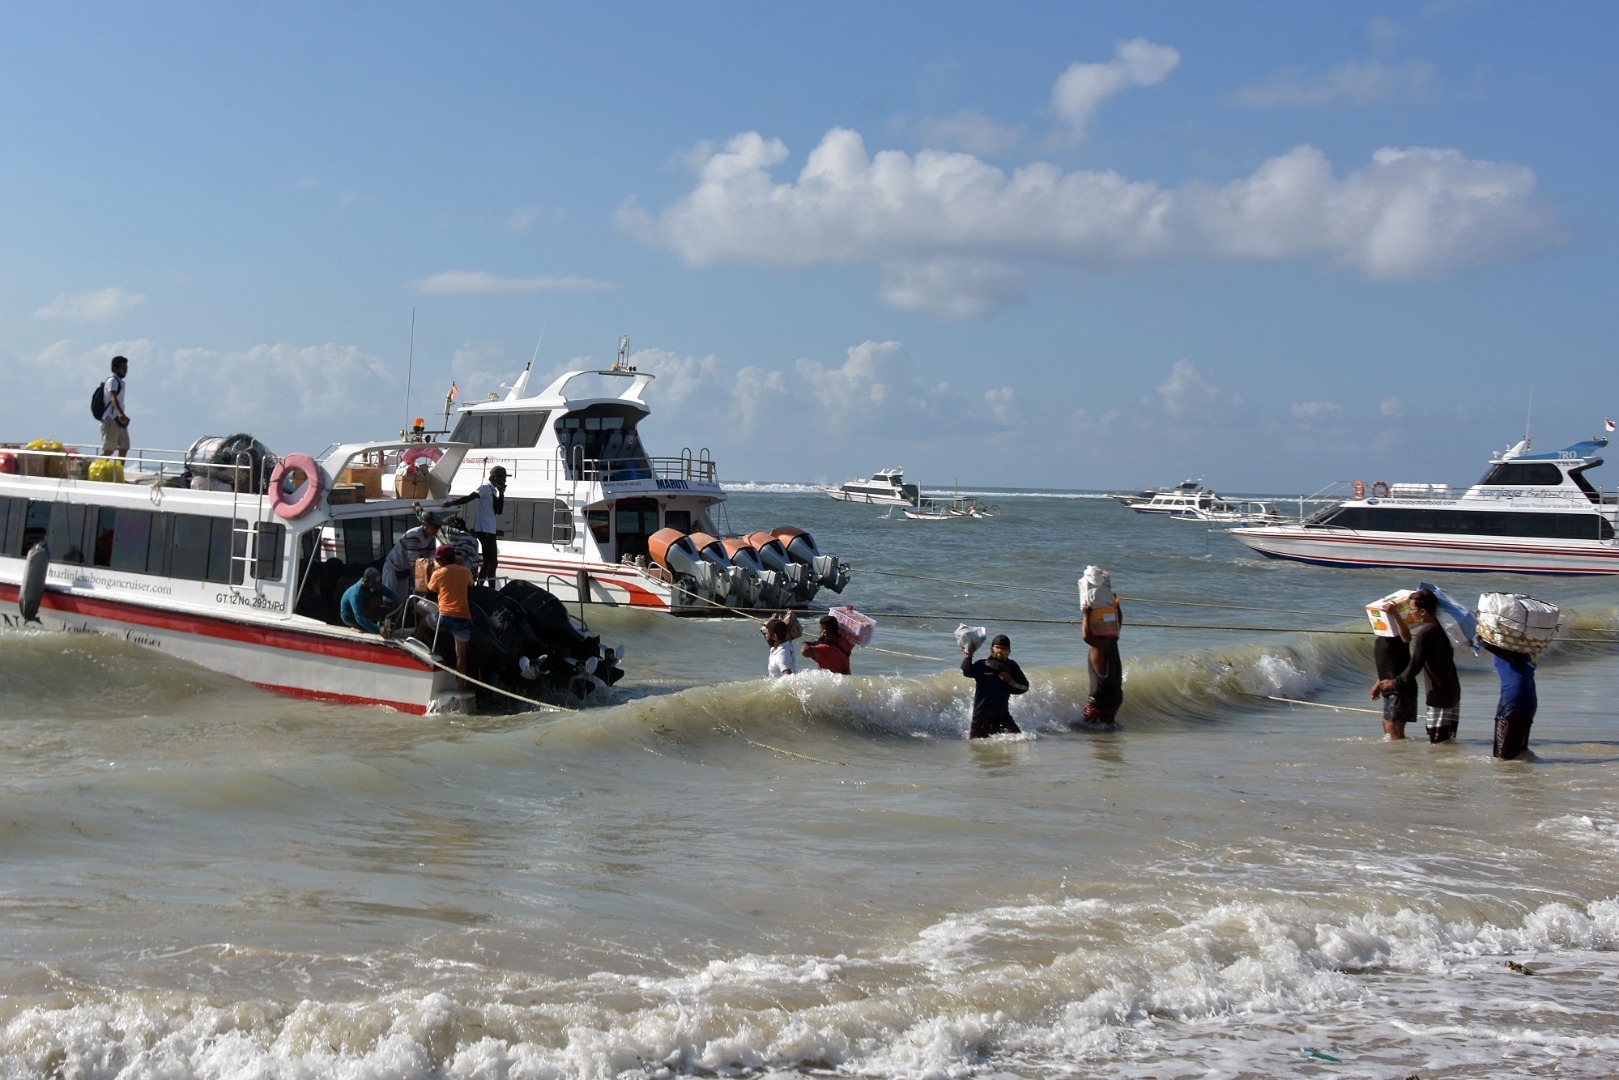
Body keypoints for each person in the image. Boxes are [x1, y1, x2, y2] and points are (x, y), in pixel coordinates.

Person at [1370, 588, 1460, 743]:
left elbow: (1416, 664)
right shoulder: (1441, 629)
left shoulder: (1425, 634)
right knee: (1446, 742)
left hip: (1439, 694)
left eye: (1412, 609)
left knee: (1438, 743)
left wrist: (1395, 682)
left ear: (1423, 611)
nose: (1410, 613)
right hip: (1451, 690)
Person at [443, 465, 506, 583]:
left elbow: (499, 510)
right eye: (503, 478)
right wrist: (452, 503)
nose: (504, 481)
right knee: (491, 561)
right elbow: (470, 497)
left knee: (490, 561)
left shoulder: (493, 490)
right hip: (484, 529)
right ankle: (486, 587)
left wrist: (502, 493)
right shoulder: (485, 488)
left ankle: (482, 585)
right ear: (496, 477)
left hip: (489, 529)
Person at [427, 544, 476, 690]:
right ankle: (460, 686)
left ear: (441, 561)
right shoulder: (466, 571)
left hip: (445, 618)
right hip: (463, 618)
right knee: (461, 655)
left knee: (424, 622)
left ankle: (415, 652)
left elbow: (430, 588)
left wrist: (430, 570)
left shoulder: (438, 573)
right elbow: (470, 584)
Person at [961, 633, 1029, 738]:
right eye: (997, 647)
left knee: (1021, 741)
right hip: (980, 719)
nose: (999, 651)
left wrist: (1011, 681)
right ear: (992, 648)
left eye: (1003, 648)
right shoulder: (982, 665)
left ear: (1009, 651)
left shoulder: (1012, 667)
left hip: (1002, 718)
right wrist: (969, 656)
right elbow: (966, 671)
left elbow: (1024, 687)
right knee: (977, 748)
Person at [1480, 640, 1537, 760]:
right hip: (1528, 703)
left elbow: (1512, 656)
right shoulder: (1529, 647)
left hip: (1511, 706)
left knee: (1505, 761)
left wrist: (1485, 642)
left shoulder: (1511, 650)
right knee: (1520, 756)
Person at [1373, 600, 1417, 740]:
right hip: (1388, 687)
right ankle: (1396, 758)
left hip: (1400, 687)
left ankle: (1402, 758)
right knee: (1388, 728)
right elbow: (1386, 666)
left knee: (1394, 731)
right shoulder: (1380, 640)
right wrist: (1377, 685)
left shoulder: (1398, 637)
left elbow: (1407, 638)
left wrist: (1396, 615)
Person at [1082, 592, 1124, 726]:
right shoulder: (1113, 638)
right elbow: (1119, 622)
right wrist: (1116, 607)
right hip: (1114, 699)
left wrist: (1086, 615)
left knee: (1093, 735)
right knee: (1108, 732)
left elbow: (1086, 637)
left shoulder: (1100, 646)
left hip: (1098, 705)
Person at [381, 512, 442, 598]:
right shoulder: (413, 535)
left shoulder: (432, 538)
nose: (437, 530)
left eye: (439, 527)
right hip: (393, 568)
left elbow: (432, 562)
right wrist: (421, 587)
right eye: (435, 527)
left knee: (403, 601)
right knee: (388, 601)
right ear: (426, 525)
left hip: (405, 570)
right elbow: (414, 564)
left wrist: (433, 583)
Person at [339, 567, 398, 634]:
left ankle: (372, 623)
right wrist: (378, 630)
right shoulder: (356, 594)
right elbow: (359, 616)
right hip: (350, 615)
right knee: (364, 618)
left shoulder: (373, 584)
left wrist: (398, 600)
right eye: (373, 585)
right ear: (365, 581)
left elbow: (387, 592)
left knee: (383, 607)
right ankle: (358, 626)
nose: (375, 587)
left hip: (364, 607)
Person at [99, 355, 131, 459]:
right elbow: (112, 397)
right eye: (123, 368)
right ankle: (96, 467)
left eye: (126, 368)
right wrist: (121, 413)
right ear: (116, 368)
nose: (126, 370)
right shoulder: (112, 381)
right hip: (111, 418)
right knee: (109, 450)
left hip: (119, 419)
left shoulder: (120, 382)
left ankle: (118, 471)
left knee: (124, 446)